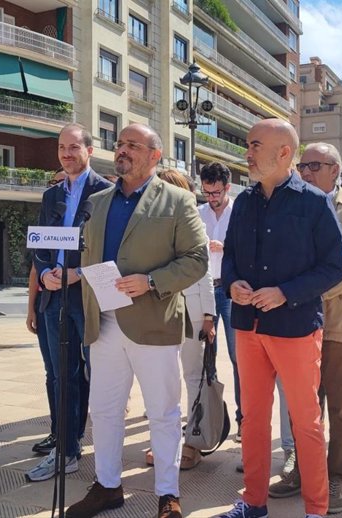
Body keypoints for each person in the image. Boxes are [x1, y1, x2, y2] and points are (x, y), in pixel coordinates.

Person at [66, 123, 208, 518]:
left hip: (152, 321)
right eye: (120, 144)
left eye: (132, 145)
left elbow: (197, 260)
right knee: (106, 409)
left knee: (163, 411)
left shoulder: (178, 200)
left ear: (154, 156)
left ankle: (168, 494)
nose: (122, 150)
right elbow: (89, 253)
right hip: (104, 321)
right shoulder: (99, 200)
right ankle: (108, 486)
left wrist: (151, 282)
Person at [218, 119, 342, 518]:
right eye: (248, 145)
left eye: (255, 145)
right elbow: (230, 259)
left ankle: (316, 511)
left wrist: (285, 293)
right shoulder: (243, 201)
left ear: (284, 153)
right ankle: (253, 503)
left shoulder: (313, 202)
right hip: (248, 326)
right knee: (253, 419)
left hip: (294, 329)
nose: (248, 152)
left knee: (306, 421)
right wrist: (233, 284)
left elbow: (334, 267)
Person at [267, 143, 342, 514]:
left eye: (315, 165)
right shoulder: (290, 204)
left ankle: (338, 476)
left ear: (335, 170)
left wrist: (304, 291)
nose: (306, 171)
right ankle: (302, 471)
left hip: (339, 325)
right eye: (303, 165)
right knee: (302, 405)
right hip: (296, 323)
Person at [27, 125, 112, 482]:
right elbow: (40, 245)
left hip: (90, 296)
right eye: (62, 147)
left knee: (103, 376)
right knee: (63, 374)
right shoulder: (51, 196)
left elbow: (112, 248)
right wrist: (46, 272)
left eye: (73, 147)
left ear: (89, 151)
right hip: (53, 296)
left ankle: (107, 453)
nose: (66, 153)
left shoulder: (106, 192)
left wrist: (78, 273)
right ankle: (67, 450)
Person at [150, 168, 216, 471]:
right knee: (162, 377)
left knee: (192, 376)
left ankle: (193, 440)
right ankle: (165, 442)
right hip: (158, 309)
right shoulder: (148, 223)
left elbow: (203, 276)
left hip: (190, 310)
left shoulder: (195, 224)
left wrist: (209, 316)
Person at [198, 162, 242, 441]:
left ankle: (242, 420)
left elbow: (253, 249)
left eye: (215, 192)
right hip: (203, 289)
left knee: (240, 358)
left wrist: (226, 248)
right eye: (206, 192)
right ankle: (207, 419)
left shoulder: (240, 210)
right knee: (203, 357)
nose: (211, 198)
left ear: (227, 188)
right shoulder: (197, 212)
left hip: (229, 290)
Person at [27, 169, 66, 455]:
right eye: (54, 183)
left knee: (73, 374)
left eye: (63, 182)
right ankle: (57, 432)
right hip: (47, 304)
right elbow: (36, 265)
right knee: (52, 372)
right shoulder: (49, 216)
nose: (58, 187)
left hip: (77, 303)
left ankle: (70, 434)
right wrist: (31, 308)